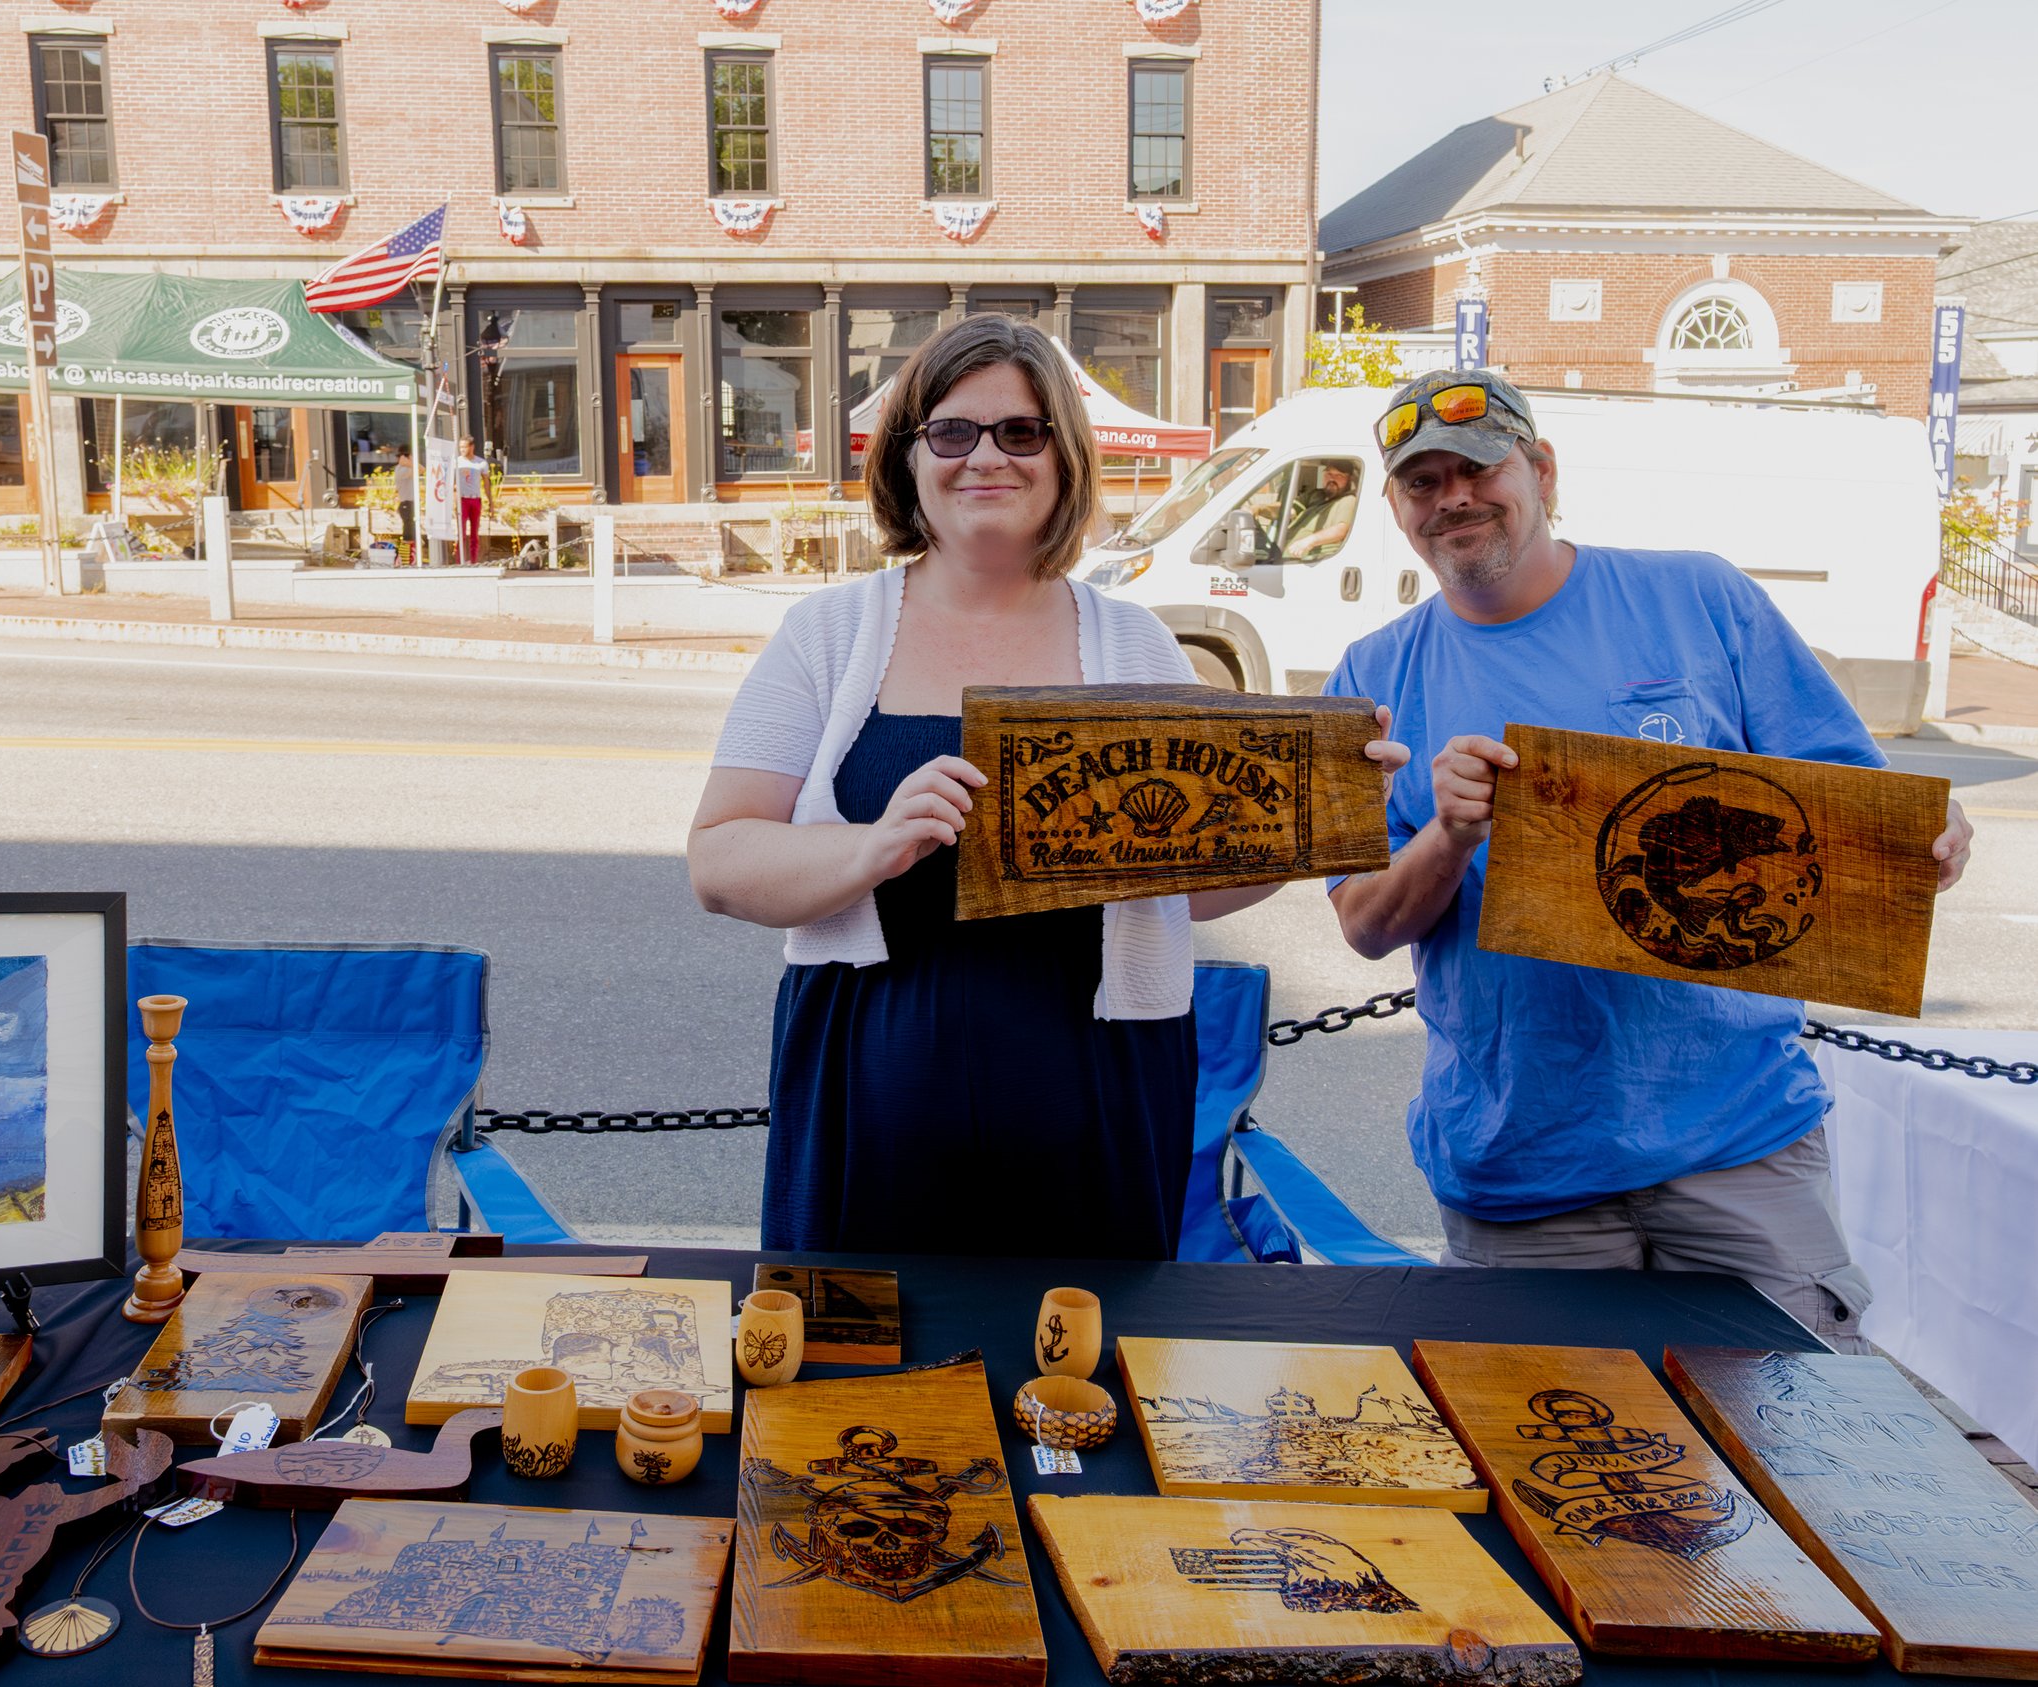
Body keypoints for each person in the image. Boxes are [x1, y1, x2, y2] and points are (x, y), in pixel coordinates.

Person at [689, 316, 1406, 1257]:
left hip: (1098, 1098)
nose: (987, 456)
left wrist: (1306, 820)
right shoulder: (828, 635)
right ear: (909, 459)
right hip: (867, 1092)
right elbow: (720, 859)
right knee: (854, 1388)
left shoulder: (1135, 643)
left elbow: (1191, 886)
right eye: (954, 431)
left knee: (1084, 1386)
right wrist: (870, 847)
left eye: (1021, 432)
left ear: (1063, 458)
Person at [1324, 369, 1974, 1348]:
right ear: (1396, 509)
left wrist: (1928, 835)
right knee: (1553, 1474)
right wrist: (1448, 835)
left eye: (1478, 466)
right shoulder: (1372, 674)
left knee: (1798, 1452)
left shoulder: (1698, 599)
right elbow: (1365, 924)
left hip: (1740, 1142)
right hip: (1520, 1167)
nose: (1452, 495)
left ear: (1540, 470)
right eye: (1422, 482)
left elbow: (1849, 804)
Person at [455, 448, 486, 563]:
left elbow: (486, 482)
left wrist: (491, 502)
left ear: (471, 447)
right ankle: (459, 561)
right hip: (462, 499)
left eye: (464, 447)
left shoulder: (480, 463)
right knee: (461, 533)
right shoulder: (456, 462)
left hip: (475, 498)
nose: (462, 449)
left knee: (474, 533)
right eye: (460, 447)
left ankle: (474, 560)